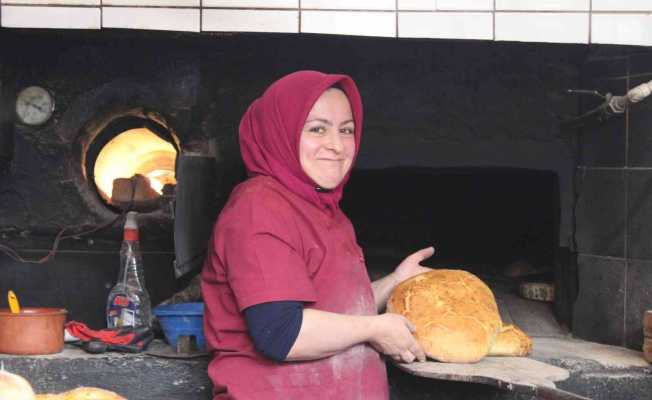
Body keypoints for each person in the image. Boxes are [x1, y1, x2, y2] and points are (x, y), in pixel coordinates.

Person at [201, 70, 435, 399]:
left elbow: (329, 310)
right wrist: (376, 327)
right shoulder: (258, 207)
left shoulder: (323, 209)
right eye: (317, 129)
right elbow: (281, 333)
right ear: (280, 132)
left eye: (347, 130)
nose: (337, 146)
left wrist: (394, 282)